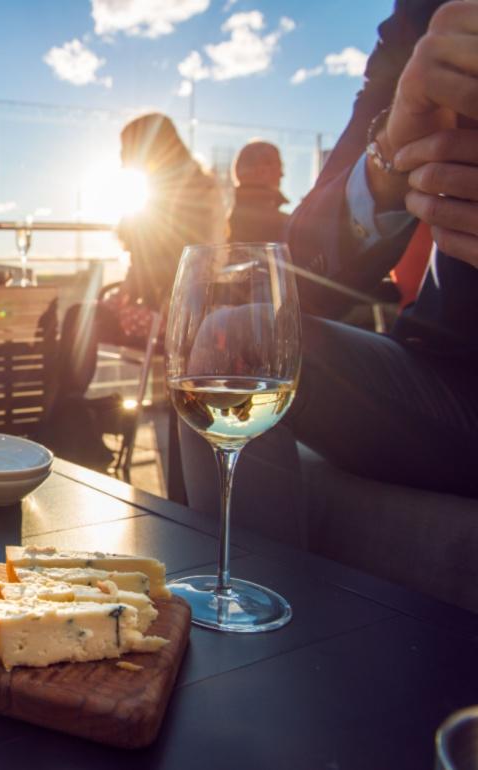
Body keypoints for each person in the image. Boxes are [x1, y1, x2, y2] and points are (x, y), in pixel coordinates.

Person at [180, 0, 478, 546]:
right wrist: (389, 159)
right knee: (232, 339)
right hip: (453, 372)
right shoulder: (424, 21)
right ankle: (243, 600)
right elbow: (301, 265)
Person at [105, 113, 224, 345]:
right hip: (166, 309)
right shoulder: (179, 191)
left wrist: (122, 299)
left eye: (125, 148)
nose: (120, 157)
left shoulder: (173, 198)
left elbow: (166, 268)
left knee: (83, 319)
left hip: (174, 316)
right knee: (85, 316)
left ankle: (64, 382)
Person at [227, 140, 289, 243]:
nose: (282, 174)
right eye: (278, 166)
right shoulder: (285, 224)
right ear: (261, 169)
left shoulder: (226, 220)